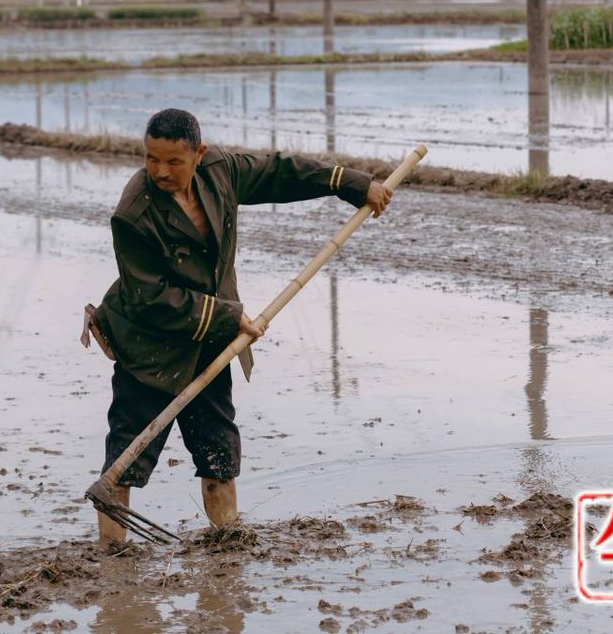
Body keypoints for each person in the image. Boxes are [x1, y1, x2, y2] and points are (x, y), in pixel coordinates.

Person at [81, 108, 392, 543]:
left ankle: (228, 545)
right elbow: (150, 296)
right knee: (124, 464)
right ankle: (112, 558)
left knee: (219, 455)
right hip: (149, 349)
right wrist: (228, 317)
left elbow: (279, 172)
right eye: (152, 159)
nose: (160, 171)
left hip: (209, 343)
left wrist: (351, 184)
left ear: (199, 153)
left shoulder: (219, 170)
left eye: (173, 161)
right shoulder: (134, 212)